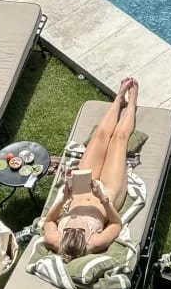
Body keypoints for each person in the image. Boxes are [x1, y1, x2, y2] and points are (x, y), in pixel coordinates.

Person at [43, 77, 138, 262]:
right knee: (118, 139)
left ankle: (119, 99)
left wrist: (64, 198)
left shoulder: (54, 239)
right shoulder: (94, 243)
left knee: (100, 136)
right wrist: (103, 199)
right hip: (107, 193)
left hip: (81, 189)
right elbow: (116, 224)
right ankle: (133, 101)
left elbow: (47, 221)